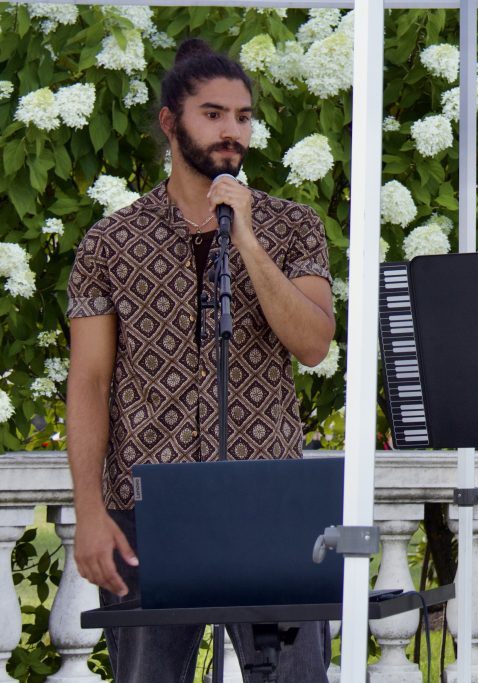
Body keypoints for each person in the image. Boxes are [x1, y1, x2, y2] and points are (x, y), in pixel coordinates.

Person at [66, 39, 335, 682]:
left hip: (266, 504)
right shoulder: (110, 242)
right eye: (213, 114)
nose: (231, 131)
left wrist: (243, 234)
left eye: (242, 117)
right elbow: (90, 382)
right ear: (170, 121)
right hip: (146, 507)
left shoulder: (291, 226)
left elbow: (313, 342)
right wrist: (89, 513)